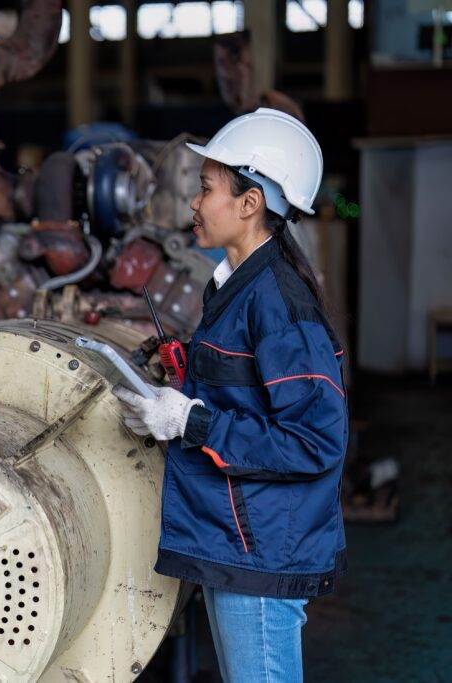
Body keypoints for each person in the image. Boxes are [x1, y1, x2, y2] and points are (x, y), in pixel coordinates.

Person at [112, 108, 347, 682]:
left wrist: (194, 423)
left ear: (250, 204)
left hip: (261, 550)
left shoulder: (278, 304)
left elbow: (316, 441)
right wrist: (180, 388)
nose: (194, 202)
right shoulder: (237, 288)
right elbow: (246, 391)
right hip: (237, 544)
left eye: (206, 188)